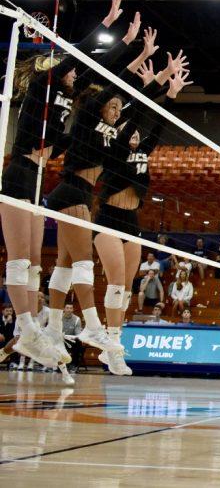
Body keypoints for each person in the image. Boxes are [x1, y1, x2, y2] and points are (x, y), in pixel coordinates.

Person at [1, 0, 133, 371]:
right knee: (19, 262)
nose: (75, 75)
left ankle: (34, 331)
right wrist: (109, 25)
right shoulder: (45, 87)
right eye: (69, 71)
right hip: (18, 173)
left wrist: (125, 48)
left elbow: (95, 76)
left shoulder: (66, 104)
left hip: (36, 179)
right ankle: (28, 329)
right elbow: (82, 58)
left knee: (30, 267)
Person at [44, 30, 181, 372]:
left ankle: (111, 346)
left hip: (130, 221)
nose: (120, 113)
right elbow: (123, 98)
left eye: (120, 110)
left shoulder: (130, 146)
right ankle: (87, 329)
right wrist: (153, 74)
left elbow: (152, 121)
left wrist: (169, 90)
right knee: (104, 273)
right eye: (114, 108)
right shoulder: (115, 143)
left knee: (122, 285)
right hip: (103, 215)